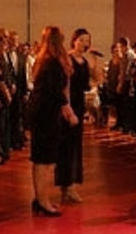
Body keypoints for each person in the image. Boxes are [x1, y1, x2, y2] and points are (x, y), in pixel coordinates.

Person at [29, 26, 77, 216]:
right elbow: (55, 91)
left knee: (41, 158)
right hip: (45, 115)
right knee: (45, 160)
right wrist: (68, 111)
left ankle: (40, 199)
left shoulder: (43, 60)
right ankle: (43, 201)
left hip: (41, 113)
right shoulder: (52, 63)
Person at [56, 28, 90, 204]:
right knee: (66, 147)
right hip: (69, 106)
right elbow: (65, 86)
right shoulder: (67, 59)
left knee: (76, 147)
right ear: (74, 40)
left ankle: (71, 185)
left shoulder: (85, 61)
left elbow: (87, 85)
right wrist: (68, 109)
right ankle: (66, 186)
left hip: (80, 104)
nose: (84, 43)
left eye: (86, 40)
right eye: (81, 40)